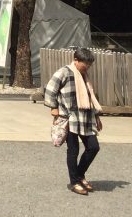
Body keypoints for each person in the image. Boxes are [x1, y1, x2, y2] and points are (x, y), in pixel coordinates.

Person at [44, 47, 103, 195]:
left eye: (89, 65)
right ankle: (74, 182)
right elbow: (50, 89)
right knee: (73, 150)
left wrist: (97, 116)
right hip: (69, 117)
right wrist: (53, 107)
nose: (87, 67)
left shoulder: (84, 75)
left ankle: (79, 175)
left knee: (93, 147)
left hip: (86, 118)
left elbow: (90, 96)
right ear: (75, 60)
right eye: (85, 64)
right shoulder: (64, 72)